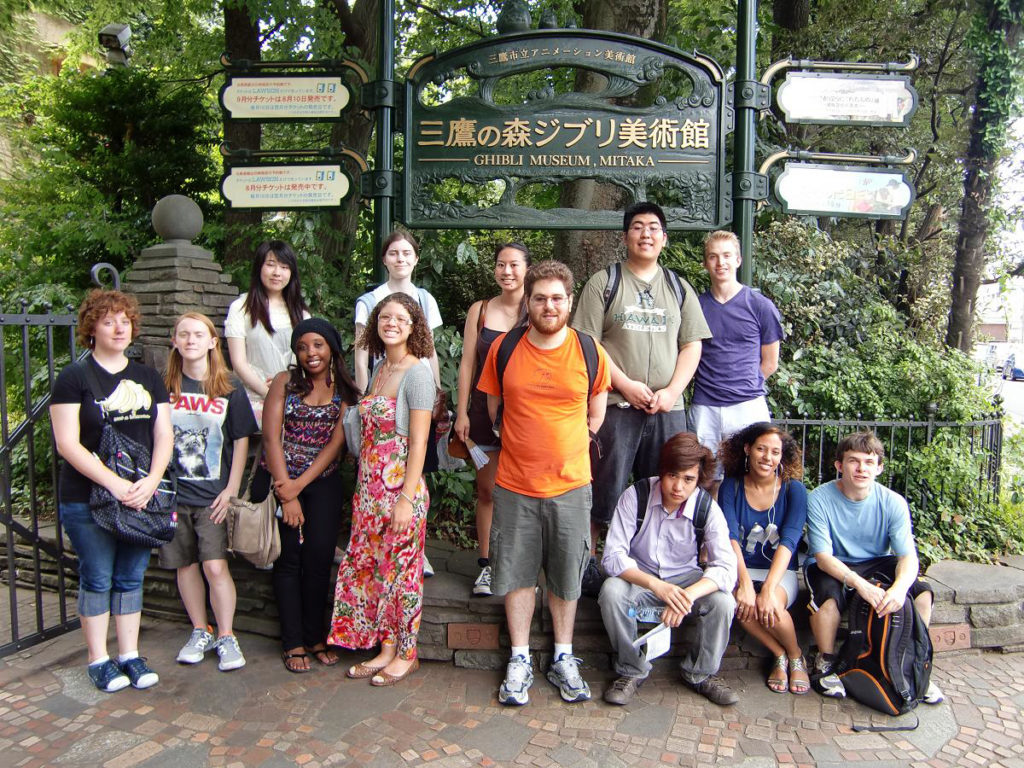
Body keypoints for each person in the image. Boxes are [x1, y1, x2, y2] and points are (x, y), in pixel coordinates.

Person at [477, 260, 611, 706]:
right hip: (515, 485)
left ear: (570, 302)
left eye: (557, 298)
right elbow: (494, 408)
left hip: (572, 486)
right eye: (540, 298)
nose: (549, 306)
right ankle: (519, 658)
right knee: (515, 574)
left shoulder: (589, 350)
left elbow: (597, 410)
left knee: (565, 576)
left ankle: (563, 656)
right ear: (528, 303)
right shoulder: (505, 348)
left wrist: (572, 444)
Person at [572, 202, 711, 592]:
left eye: (653, 228)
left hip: (668, 410)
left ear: (664, 239)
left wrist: (671, 391)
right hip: (616, 406)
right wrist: (625, 384)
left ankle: (653, 565)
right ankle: (587, 564)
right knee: (604, 487)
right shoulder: (605, 282)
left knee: (667, 488)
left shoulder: (679, 287)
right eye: (637, 227)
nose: (645, 234)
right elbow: (588, 343)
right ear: (625, 237)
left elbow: (692, 345)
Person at [50, 289, 173, 692]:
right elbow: (68, 444)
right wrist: (115, 483)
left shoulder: (147, 376)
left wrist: (152, 481)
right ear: (92, 328)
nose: (119, 327)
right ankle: (98, 659)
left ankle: (130, 655)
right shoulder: (74, 378)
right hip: (87, 497)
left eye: (124, 320)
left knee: (130, 577)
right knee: (98, 577)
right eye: (108, 320)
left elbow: (163, 432)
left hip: (140, 494)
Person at [329, 293, 434, 686]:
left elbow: (419, 443)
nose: (391, 323)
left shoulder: (417, 373)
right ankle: (386, 649)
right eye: (385, 317)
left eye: (401, 318)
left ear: (414, 326)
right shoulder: (379, 368)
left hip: (400, 491)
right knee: (378, 571)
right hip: (370, 490)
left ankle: (407, 653)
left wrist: (406, 497)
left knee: (403, 574)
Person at [598, 432, 739, 707]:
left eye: (688, 479)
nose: (678, 486)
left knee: (723, 602)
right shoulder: (636, 495)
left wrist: (687, 596)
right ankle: (631, 668)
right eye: (673, 475)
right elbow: (612, 556)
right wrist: (656, 586)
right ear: (662, 472)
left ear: (698, 480)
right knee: (612, 592)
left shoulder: (706, 508)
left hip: (687, 580)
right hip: (641, 580)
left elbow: (726, 568)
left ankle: (700, 672)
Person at [805, 431, 943, 703]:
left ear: (879, 468)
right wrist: (860, 585)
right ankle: (827, 661)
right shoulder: (819, 498)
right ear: (838, 465)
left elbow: (907, 557)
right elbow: (822, 556)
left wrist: (900, 589)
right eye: (853, 461)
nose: (861, 468)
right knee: (828, 601)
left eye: (869, 462)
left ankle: (912, 662)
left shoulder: (893, 502)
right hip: (834, 562)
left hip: (877, 561)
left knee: (923, 594)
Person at [160, 312, 259, 672]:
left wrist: (231, 489)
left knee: (215, 566)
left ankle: (227, 635)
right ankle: (200, 630)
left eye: (198, 334)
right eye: (183, 334)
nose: (190, 340)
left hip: (213, 496)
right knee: (184, 566)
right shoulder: (165, 386)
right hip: (174, 495)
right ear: (174, 341)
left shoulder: (227, 386)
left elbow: (242, 439)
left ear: (212, 342)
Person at [261, 318, 358, 673]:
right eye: (302, 347)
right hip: (281, 480)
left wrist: (300, 488)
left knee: (318, 560)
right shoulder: (284, 383)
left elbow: (337, 444)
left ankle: (316, 637)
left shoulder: (344, 390)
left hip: (322, 484)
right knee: (288, 561)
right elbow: (271, 438)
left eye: (317, 345)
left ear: (331, 347)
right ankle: (293, 642)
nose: (310, 353)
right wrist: (287, 493)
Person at [453, 242, 530, 597]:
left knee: (523, 493)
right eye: (501, 264)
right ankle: (485, 565)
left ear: (527, 268)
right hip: (483, 412)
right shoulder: (480, 310)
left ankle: (516, 565)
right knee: (487, 490)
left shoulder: (539, 308)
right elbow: (467, 362)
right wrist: (462, 411)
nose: (507, 271)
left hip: (527, 414)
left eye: (514, 264)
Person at [717, 423, 809, 694]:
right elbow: (730, 536)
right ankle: (778, 653)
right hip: (742, 567)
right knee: (742, 606)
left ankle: (795, 655)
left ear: (783, 456)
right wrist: (744, 582)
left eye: (775, 452)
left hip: (779, 571)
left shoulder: (794, 491)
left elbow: (790, 540)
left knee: (772, 607)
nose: (768, 458)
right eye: (761, 449)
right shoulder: (731, 487)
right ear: (747, 449)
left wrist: (768, 588)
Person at [690, 231, 783, 464]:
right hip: (705, 406)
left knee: (748, 475)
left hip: (748, 406)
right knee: (706, 477)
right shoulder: (695, 308)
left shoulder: (760, 306)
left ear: (738, 260)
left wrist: (742, 386)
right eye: (713, 257)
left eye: (727, 255)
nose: (721, 262)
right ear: (705, 263)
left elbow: (770, 362)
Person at [225, 240, 310, 428]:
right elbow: (239, 363)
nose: (277, 272)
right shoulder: (240, 308)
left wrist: (288, 384)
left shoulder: (302, 314)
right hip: (250, 398)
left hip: (292, 395)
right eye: (270, 264)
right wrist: (268, 393)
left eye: (284, 266)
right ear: (259, 267)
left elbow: (308, 361)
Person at [352, 230, 443, 394]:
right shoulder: (369, 302)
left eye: (407, 253)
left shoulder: (425, 299)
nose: (400, 259)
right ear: (384, 260)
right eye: (393, 253)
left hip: (421, 388)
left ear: (416, 259)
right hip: (384, 389)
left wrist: (438, 393)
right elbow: (361, 359)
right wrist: (364, 399)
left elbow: (430, 352)